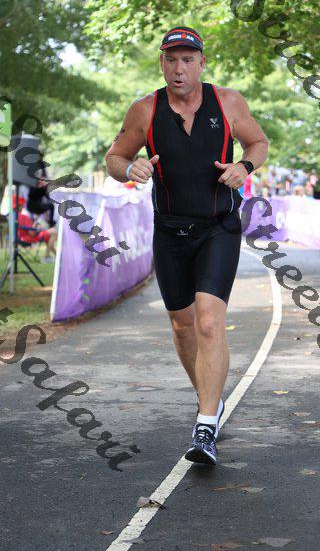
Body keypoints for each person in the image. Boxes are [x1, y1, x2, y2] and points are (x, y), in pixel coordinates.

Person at [105, 26, 269, 465]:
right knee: (182, 326)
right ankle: (209, 400)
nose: (179, 69)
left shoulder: (228, 102)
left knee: (209, 323)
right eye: (171, 60)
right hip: (170, 232)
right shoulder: (145, 110)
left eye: (188, 60)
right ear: (162, 63)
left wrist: (244, 166)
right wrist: (130, 169)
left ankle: (205, 426)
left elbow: (258, 142)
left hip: (218, 228)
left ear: (201, 62)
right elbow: (114, 157)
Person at [14, 196, 57, 262]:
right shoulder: (23, 217)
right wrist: (36, 228)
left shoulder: (13, 216)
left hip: (19, 238)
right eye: (22, 205)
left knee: (50, 233)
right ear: (19, 206)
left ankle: (54, 256)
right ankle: (48, 256)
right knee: (54, 232)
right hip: (29, 238)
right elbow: (32, 233)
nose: (23, 207)